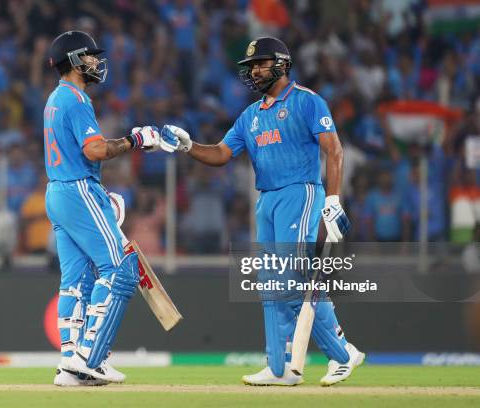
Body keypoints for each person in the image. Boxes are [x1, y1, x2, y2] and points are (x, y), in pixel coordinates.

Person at [160, 37, 364, 386]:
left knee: (289, 278)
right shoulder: (250, 116)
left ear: (282, 65)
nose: (253, 71)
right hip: (266, 200)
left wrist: (332, 200)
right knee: (270, 282)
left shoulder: (307, 102)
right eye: (251, 66)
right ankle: (280, 368)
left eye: (260, 64)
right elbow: (222, 154)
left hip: (299, 193)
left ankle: (343, 354)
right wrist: (189, 146)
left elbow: (334, 150)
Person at [44, 31, 164, 387]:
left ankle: (70, 362)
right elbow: (94, 151)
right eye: (91, 57)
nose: (96, 63)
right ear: (75, 60)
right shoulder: (77, 99)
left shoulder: (54, 98)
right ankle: (90, 356)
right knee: (118, 270)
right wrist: (135, 140)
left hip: (58, 190)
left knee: (73, 282)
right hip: (79, 188)